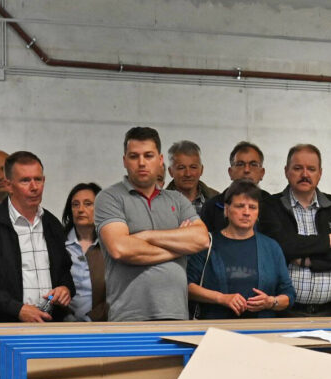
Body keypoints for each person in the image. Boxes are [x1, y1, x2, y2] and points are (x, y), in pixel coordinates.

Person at [93, 126, 208, 321]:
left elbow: (202, 239)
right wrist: (180, 248)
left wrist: (145, 236)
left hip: (177, 314)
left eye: (148, 155)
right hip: (129, 316)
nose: (141, 163)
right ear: (124, 160)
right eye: (134, 156)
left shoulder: (178, 200)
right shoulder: (109, 198)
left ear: (160, 160)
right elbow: (120, 249)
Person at [0, 151, 74, 322]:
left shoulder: (52, 224)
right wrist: (17, 309)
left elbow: (65, 272)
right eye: (25, 180)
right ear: (9, 185)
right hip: (5, 324)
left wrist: (65, 289)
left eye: (38, 179)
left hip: (49, 320)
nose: (34, 187)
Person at [259, 143, 331, 317]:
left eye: (311, 169)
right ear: (286, 171)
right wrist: (327, 241)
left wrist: (309, 261)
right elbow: (281, 246)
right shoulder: (270, 206)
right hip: (285, 312)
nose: (305, 174)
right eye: (298, 168)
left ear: (320, 173)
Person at [187, 180, 294, 319]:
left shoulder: (271, 247)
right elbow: (187, 287)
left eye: (252, 207)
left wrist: (271, 302)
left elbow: (288, 294)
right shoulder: (207, 244)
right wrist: (221, 298)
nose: (246, 212)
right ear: (226, 210)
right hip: (215, 327)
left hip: (261, 327)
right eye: (240, 206)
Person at [62, 182, 107, 322]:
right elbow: (48, 293)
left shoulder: (110, 246)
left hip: (101, 324)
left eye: (88, 204)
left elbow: (119, 295)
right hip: (61, 324)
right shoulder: (57, 244)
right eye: (75, 205)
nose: (80, 209)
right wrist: (65, 316)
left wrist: (90, 320)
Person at [201, 141, 267, 233]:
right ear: (230, 172)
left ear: (262, 173)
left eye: (253, 164)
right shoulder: (212, 207)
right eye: (240, 164)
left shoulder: (273, 206)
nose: (246, 170)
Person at [166, 140, 219, 215]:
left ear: (201, 170)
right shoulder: (159, 202)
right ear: (170, 171)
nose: (188, 174)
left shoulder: (218, 200)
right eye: (181, 168)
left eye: (193, 167)